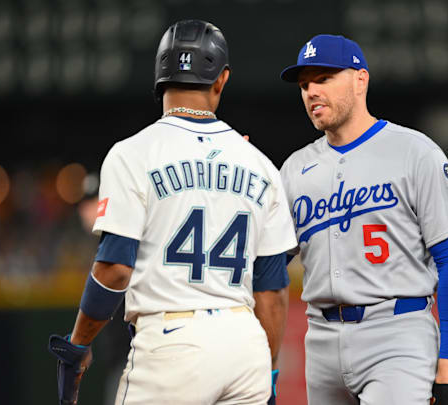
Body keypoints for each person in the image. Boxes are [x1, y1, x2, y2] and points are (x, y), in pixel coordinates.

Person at [48, 20, 297, 405]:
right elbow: (272, 291)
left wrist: (78, 343)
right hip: (245, 342)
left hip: (172, 340)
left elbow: (115, 268)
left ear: (160, 77)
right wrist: (269, 369)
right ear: (222, 79)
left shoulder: (132, 153)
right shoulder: (261, 165)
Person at [278, 34, 448, 404]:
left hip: (397, 333)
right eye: (304, 84)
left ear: (361, 79)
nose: (311, 90)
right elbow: (270, 262)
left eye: (324, 78)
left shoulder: (414, 151)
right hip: (320, 339)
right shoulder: (295, 169)